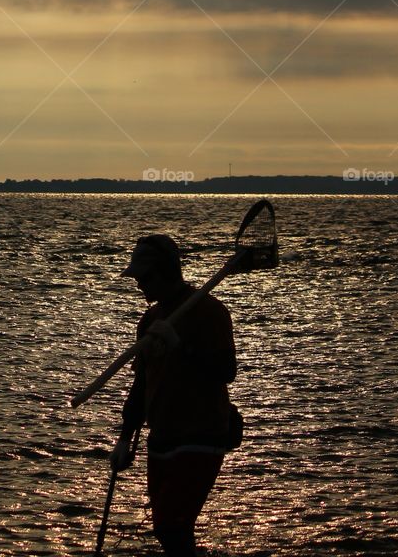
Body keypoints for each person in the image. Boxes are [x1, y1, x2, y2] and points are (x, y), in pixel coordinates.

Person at [109, 233, 240, 556]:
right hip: (162, 436)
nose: (139, 284)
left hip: (201, 434)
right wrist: (125, 438)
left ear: (167, 271)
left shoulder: (208, 311)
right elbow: (141, 385)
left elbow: (225, 371)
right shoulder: (150, 320)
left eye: (145, 276)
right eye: (137, 277)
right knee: (167, 531)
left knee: (172, 526)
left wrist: (180, 346)